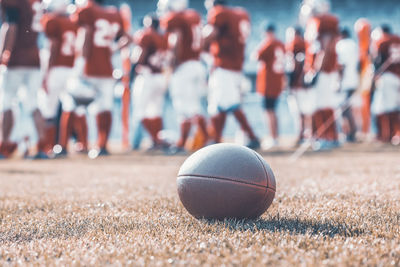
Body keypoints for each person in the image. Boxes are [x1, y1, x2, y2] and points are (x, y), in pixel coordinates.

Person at [64, 0, 130, 158]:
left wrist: (81, 63)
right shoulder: (114, 13)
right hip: (106, 67)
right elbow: (127, 38)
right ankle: (102, 145)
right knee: (105, 106)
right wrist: (111, 49)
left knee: (73, 104)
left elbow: (86, 35)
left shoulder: (87, 10)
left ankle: (72, 143)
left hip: (89, 66)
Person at [203, 0, 260, 149]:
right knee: (219, 104)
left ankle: (252, 136)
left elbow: (210, 34)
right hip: (236, 65)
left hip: (224, 65)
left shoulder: (220, 12)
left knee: (230, 103)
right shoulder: (241, 13)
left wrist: (200, 46)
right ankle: (215, 138)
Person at [159, 0, 209, 154]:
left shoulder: (176, 19)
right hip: (197, 64)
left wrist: (173, 63)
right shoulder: (193, 16)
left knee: (183, 107)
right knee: (194, 106)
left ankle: (183, 142)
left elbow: (176, 40)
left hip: (184, 67)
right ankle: (207, 137)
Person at [0, 0, 47, 159]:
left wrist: (4, 54)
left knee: (7, 102)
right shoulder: (35, 2)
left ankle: (4, 145)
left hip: (16, 58)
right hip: (34, 57)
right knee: (33, 103)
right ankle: (41, 144)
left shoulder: (15, 2)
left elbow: (11, 27)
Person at [303, 0, 340, 150]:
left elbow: (325, 47)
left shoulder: (324, 21)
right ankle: (327, 137)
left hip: (323, 70)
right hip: (317, 68)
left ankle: (327, 137)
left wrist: (317, 69)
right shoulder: (313, 22)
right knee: (320, 104)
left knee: (321, 105)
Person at [132, 14, 168, 150]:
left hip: (147, 76)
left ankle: (156, 139)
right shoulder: (163, 38)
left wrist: (132, 70)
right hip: (160, 76)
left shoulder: (147, 35)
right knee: (156, 112)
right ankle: (157, 140)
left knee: (140, 111)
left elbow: (141, 57)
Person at [256, 24, 285, 148]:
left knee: (269, 111)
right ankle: (275, 136)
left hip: (268, 82)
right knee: (273, 110)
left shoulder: (268, 44)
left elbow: (256, 56)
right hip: (277, 81)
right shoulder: (280, 44)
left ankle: (273, 137)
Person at [370, 24, 400, 144]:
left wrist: (375, 74)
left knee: (385, 107)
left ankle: (389, 134)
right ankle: (393, 134)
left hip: (387, 76)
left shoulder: (381, 41)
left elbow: (378, 59)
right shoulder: (397, 39)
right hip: (398, 76)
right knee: (395, 107)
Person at [285, 26, 313, 145]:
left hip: (298, 84)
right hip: (303, 84)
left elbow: (293, 67)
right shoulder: (306, 46)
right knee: (303, 111)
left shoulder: (296, 44)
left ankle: (303, 134)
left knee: (300, 112)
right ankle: (305, 133)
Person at [335, 27, 359, 142]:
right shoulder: (354, 45)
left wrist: (338, 82)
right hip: (353, 80)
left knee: (344, 109)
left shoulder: (341, 45)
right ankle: (351, 133)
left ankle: (350, 133)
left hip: (345, 81)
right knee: (347, 108)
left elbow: (342, 65)